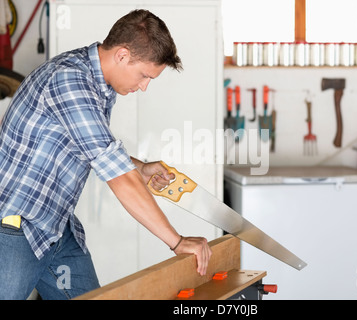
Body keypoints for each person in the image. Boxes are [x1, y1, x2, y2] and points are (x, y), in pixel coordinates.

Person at [0, 9, 212, 300]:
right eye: (144, 75)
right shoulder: (70, 81)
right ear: (123, 55)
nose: (144, 86)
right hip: (15, 230)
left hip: (56, 229)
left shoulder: (97, 83)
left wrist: (140, 168)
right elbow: (119, 178)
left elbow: (92, 147)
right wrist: (176, 242)